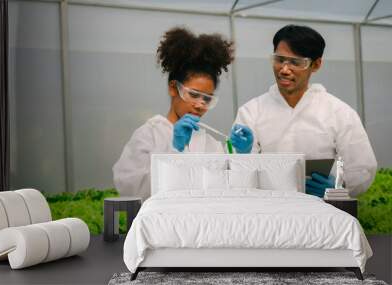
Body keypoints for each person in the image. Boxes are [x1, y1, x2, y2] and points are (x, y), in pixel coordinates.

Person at [232, 24, 377, 198]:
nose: (284, 70)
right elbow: (237, 173)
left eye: (296, 62)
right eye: (279, 59)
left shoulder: (339, 113)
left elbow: (362, 168)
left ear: (316, 65)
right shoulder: (252, 111)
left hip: (323, 213)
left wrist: (338, 186)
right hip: (269, 211)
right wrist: (243, 154)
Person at [113, 27, 235, 201]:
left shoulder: (211, 145)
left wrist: (240, 154)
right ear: (173, 88)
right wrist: (173, 151)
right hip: (161, 224)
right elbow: (130, 189)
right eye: (193, 94)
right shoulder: (150, 134)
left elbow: (227, 187)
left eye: (207, 99)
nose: (200, 105)